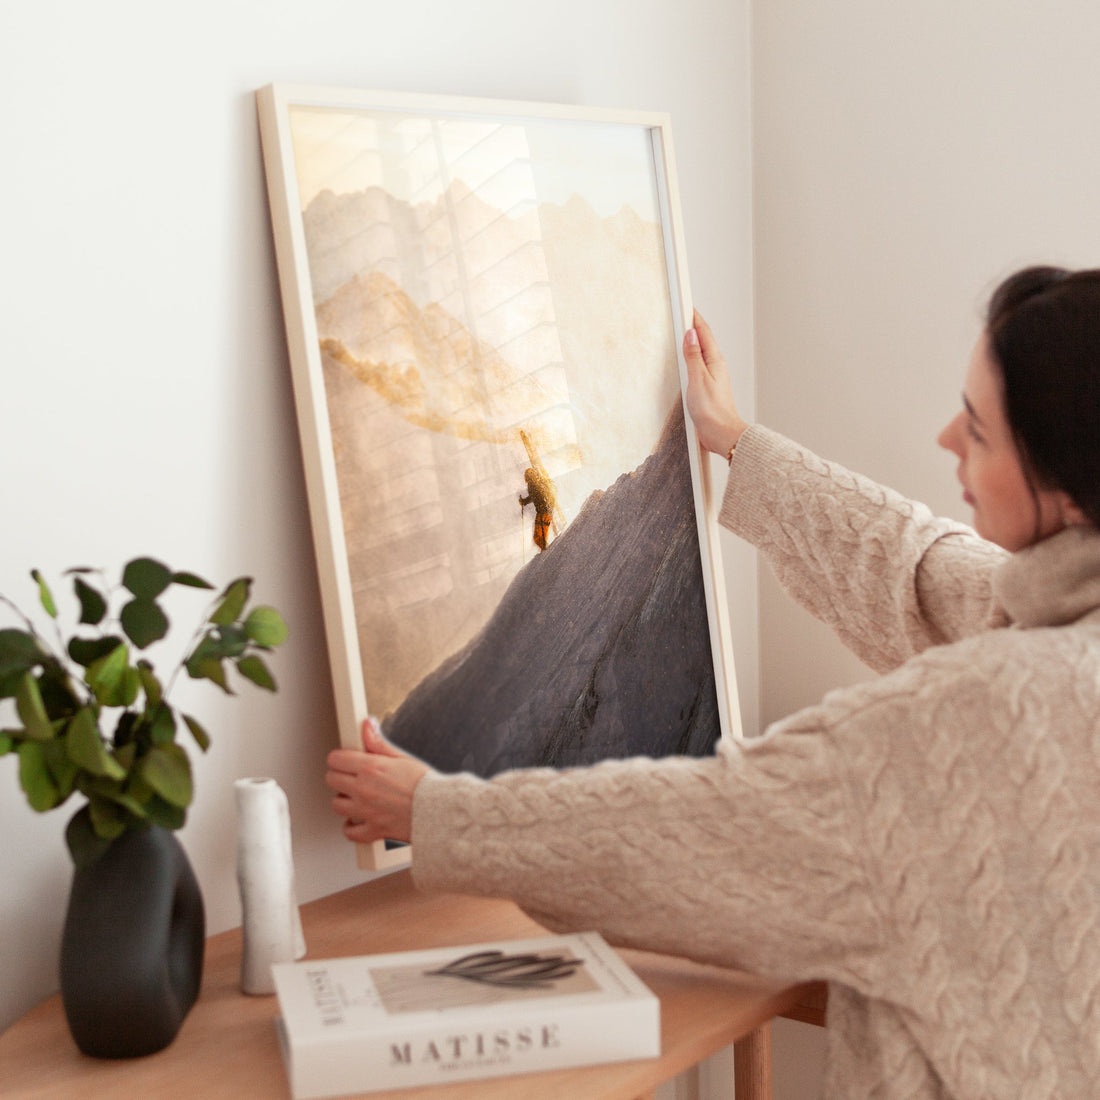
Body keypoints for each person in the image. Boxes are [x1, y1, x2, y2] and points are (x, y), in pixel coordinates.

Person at [325, 266, 1100, 1099]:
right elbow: (917, 569)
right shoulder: (1061, 623)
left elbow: (707, 828)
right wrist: (735, 441)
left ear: (1065, 488)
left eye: (979, 432)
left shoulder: (981, 718)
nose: (948, 438)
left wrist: (437, 812)